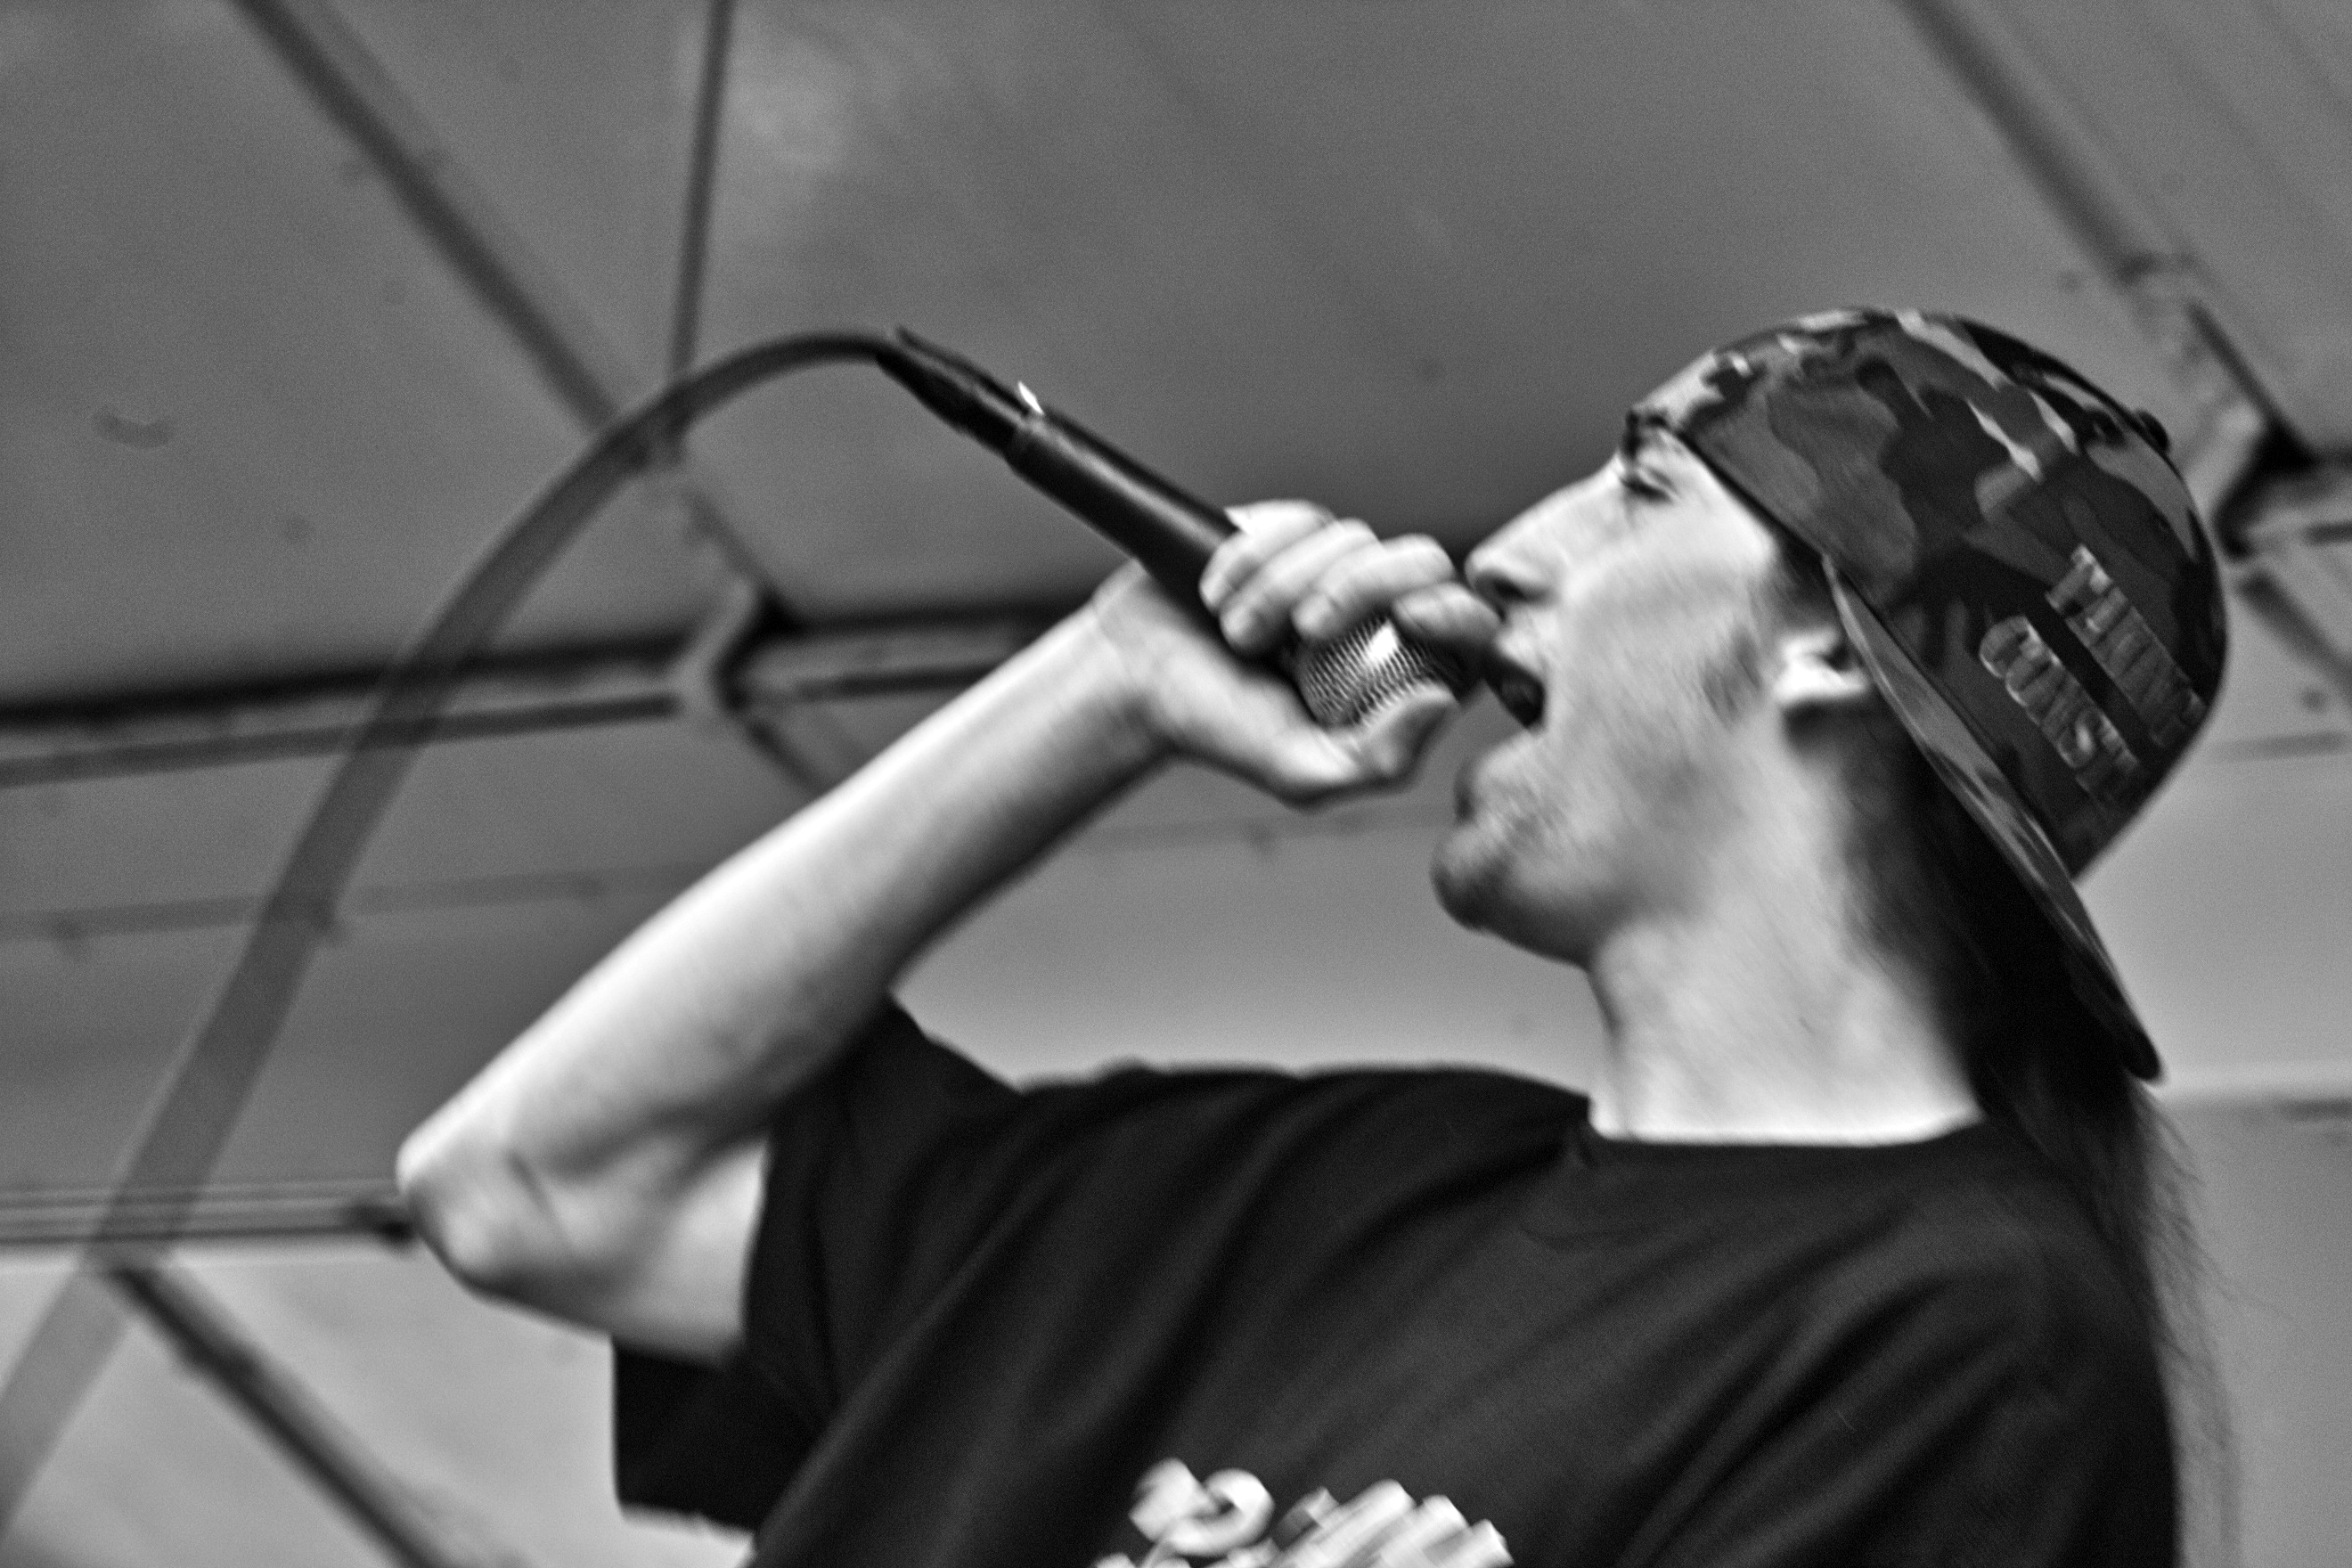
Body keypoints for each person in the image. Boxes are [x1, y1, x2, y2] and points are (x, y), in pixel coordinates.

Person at [396, 310, 2230, 1566]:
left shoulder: (1962, 1348)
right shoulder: (1264, 1193)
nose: (1508, 553)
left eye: (1645, 486)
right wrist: (1104, 687)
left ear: (1833, 637)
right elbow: (528, 1186)